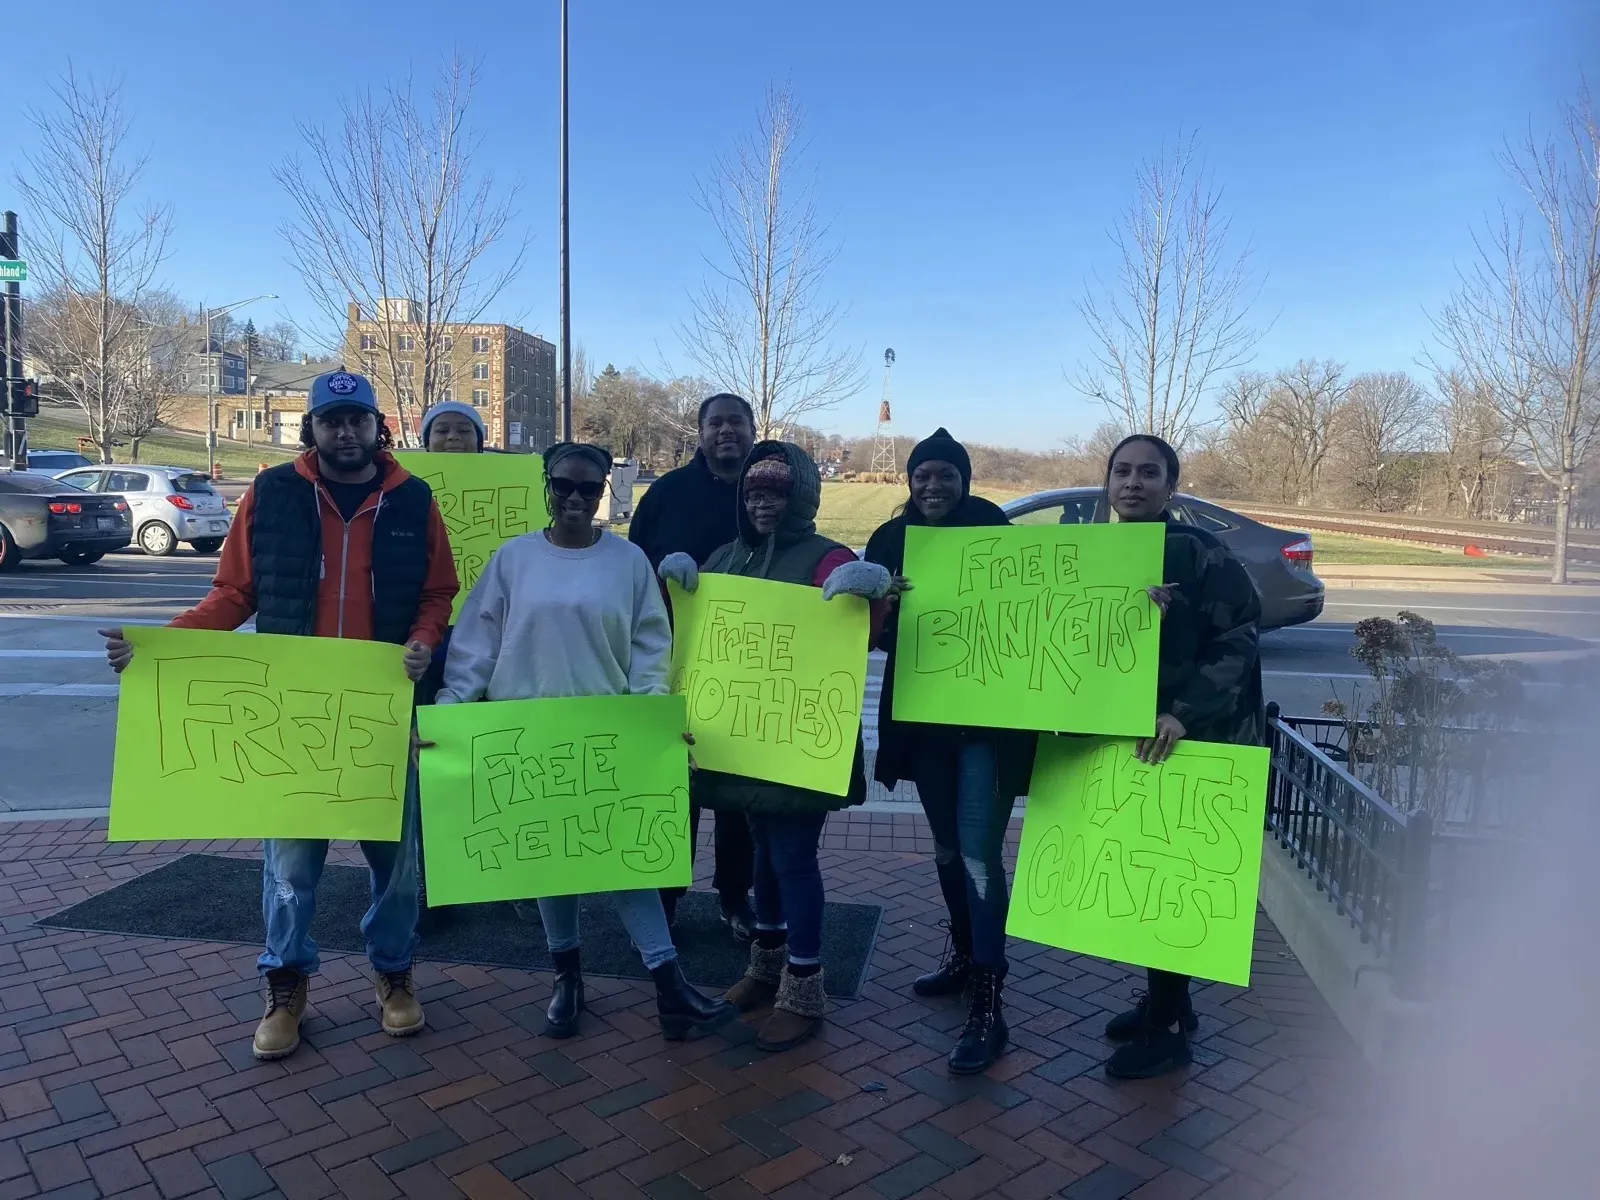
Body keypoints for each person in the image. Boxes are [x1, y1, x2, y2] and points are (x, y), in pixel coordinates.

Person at [99, 370, 459, 1061]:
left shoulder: (413, 498)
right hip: (292, 716)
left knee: (398, 864)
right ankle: (286, 984)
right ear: (312, 427)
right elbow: (232, 596)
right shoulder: (272, 494)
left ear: (376, 426)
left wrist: (422, 641)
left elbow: (437, 593)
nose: (345, 432)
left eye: (358, 420)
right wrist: (158, 648)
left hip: (380, 714)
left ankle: (393, 974)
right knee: (291, 869)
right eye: (332, 420)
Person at [434, 441, 736, 1042]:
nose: (575, 498)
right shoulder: (514, 559)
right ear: (547, 485)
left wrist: (652, 718)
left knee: (626, 861)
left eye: (588, 489)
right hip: (526, 734)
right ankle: (567, 977)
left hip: (605, 735)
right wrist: (450, 715)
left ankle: (669, 985)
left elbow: (651, 647)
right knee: (552, 864)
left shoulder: (626, 563)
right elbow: (476, 643)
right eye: (563, 486)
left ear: (604, 493)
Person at [659, 442, 891, 1050]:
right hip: (744, 741)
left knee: (792, 857)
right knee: (762, 851)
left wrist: (869, 595)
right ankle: (765, 967)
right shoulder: (728, 556)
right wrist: (679, 590)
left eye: (776, 492)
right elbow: (693, 639)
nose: (763, 503)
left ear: (800, 497)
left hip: (798, 742)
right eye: (754, 492)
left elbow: (858, 634)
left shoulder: (823, 557)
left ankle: (805, 983)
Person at [863, 428, 1035, 1075]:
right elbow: (870, 641)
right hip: (924, 723)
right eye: (922, 475)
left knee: (978, 852)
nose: (932, 486)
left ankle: (990, 1003)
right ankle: (965, 953)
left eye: (945, 475)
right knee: (944, 849)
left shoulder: (992, 527)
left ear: (964, 479)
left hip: (986, 723)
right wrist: (886, 607)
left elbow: (1037, 614)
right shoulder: (889, 539)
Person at [1097, 433, 1264, 1080]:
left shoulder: (1199, 554)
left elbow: (1240, 637)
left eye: (1148, 473)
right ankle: (1170, 1002)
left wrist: (1183, 713)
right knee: (1145, 878)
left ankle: (1166, 1031)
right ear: (1107, 482)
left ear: (1171, 485)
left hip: (1188, 742)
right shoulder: (1102, 554)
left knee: (1170, 884)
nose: (1132, 483)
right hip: (1129, 741)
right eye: (1122, 472)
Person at [629, 393, 759, 938]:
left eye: (736, 422)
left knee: (737, 795)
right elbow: (632, 572)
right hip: (671, 663)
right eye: (715, 423)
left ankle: (735, 897)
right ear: (700, 432)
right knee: (671, 789)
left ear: (753, 430)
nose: (725, 431)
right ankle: (666, 897)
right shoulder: (666, 494)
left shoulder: (769, 492)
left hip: (747, 668)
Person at [413, 400, 490, 931]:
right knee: (430, 765)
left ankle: (503, 871)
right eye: (443, 429)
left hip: (488, 638)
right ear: (426, 440)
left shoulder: (509, 488)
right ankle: (430, 879)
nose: (455, 437)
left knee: (488, 761)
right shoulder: (405, 494)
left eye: (466, 429)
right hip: (425, 641)